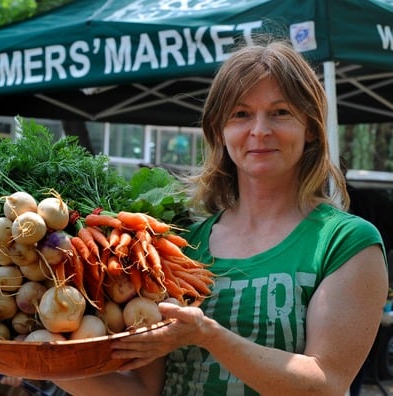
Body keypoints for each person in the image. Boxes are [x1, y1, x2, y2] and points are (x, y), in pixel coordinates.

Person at [50, 40, 389, 395]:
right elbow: (143, 389)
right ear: (219, 131)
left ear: (311, 129)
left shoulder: (345, 243)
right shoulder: (180, 248)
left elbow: (327, 384)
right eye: (241, 114)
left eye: (281, 112)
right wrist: (40, 361)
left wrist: (209, 335)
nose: (259, 130)